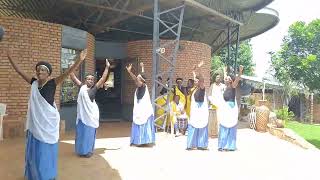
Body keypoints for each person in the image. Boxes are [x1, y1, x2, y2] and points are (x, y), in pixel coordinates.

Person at [7, 48, 87, 180]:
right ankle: (34, 175)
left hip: (48, 124)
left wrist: (79, 60)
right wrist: (10, 58)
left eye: (43, 69)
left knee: (45, 152)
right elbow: (19, 71)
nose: (40, 71)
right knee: (35, 153)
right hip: (35, 125)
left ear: (48, 73)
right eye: (38, 69)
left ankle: (47, 175)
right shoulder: (33, 83)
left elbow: (68, 72)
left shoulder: (52, 83)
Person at [70, 59, 110, 158]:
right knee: (81, 134)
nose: (90, 80)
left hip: (90, 117)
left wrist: (107, 67)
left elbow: (103, 79)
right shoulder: (82, 87)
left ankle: (87, 151)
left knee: (89, 135)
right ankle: (80, 151)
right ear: (85, 80)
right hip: (82, 117)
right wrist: (71, 66)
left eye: (92, 79)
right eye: (88, 79)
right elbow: (72, 76)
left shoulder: (94, 88)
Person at [126, 62, 155, 146]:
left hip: (144, 111)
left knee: (142, 122)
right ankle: (139, 140)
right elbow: (141, 76)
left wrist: (129, 72)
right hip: (139, 110)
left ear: (141, 81)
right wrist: (142, 67)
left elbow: (136, 79)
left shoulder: (142, 86)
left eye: (139, 79)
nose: (137, 80)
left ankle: (142, 141)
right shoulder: (140, 87)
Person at [215, 65, 244, 152]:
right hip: (225, 109)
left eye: (227, 79)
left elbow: (238, 78)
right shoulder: (225, 86)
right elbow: (225, 77)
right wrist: (224, 71)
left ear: (231, 81)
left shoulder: (233, 86)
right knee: (223, 124)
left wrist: (240, 71)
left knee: (230, 125)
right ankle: (222, 145)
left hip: (230, 109)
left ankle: (230, 146)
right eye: (225, 78)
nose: (225, 79)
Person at [186, 61, 209, 150]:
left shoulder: (202, 88)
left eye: (197, 80)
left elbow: (201, 79)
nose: (195, 80)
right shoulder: (195, 89)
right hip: (195, 111)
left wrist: (199, 68)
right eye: (195, 80)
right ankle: (191, 145)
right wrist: (193, 71)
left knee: (201, 125)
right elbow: (196, 77)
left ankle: (202, 145)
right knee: (193, 125)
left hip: (201, 112)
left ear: (200, 81)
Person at [208, 74, 226, 138]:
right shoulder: (212, 86)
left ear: (221, 79)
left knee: (219, 120)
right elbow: (209, 95)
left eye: (219, 77)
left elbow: (225, 95)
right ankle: (211, 134)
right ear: (215, 79)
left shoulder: (223, 86)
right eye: (216, 77)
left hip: (221, 106)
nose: (218, 78)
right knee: (212, 120)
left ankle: (219, 134)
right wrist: (212, 102)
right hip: (213, 105)